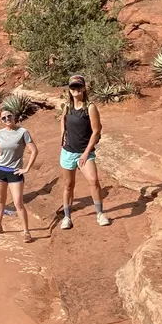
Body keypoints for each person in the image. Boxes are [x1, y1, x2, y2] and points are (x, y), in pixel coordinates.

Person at [60, 74, 111, 229]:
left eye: (78, 86)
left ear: (83, 88)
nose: (75, 89)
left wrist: (85, 153)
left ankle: (100, 214)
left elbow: (96, 131)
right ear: (69, 89)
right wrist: (62, 136)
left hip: (84, 152)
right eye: (72, 87)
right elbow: (63, 120)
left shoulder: (90, 107)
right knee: (68, 185)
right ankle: (67, 217)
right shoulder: (67, 106)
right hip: (68, 151)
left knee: (93, 180)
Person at [0, 108, 39, 243]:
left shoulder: (23, 132)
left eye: (9, 116)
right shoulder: (0, 133)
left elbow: (34, 150)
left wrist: (26, 168)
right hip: (0, 170)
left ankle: (26, 231)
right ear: (1, 120)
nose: (7, 119)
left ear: (14, 116)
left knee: (18, 202)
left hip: (15, 172)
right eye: (3, 118)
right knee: (0, 200)